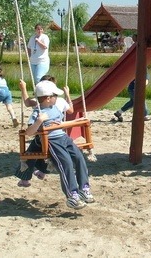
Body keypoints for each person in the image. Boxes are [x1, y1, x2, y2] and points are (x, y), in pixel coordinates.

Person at [16, 80, 94, 209]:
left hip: (63, 137)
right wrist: (39, 121)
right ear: (47, 98)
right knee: (66, 164)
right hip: (52, 141)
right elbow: (29, 132)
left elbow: (61, 121)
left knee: (80, 158)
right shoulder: (38, 112)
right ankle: (72, 195)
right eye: (55, 96)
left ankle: (84, 188)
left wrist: (64, 124)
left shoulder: (56, 108)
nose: (57, 98)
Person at [16, 75, 74, 187]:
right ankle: (42, 171)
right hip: (58, 134)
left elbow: (27, 103)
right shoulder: (61, 100)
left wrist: (23, 89)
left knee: (31, 153)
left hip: (43, 135)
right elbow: (71, 111)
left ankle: (25, 179)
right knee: (45, 152)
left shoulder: (41, 102)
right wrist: (67, 95)